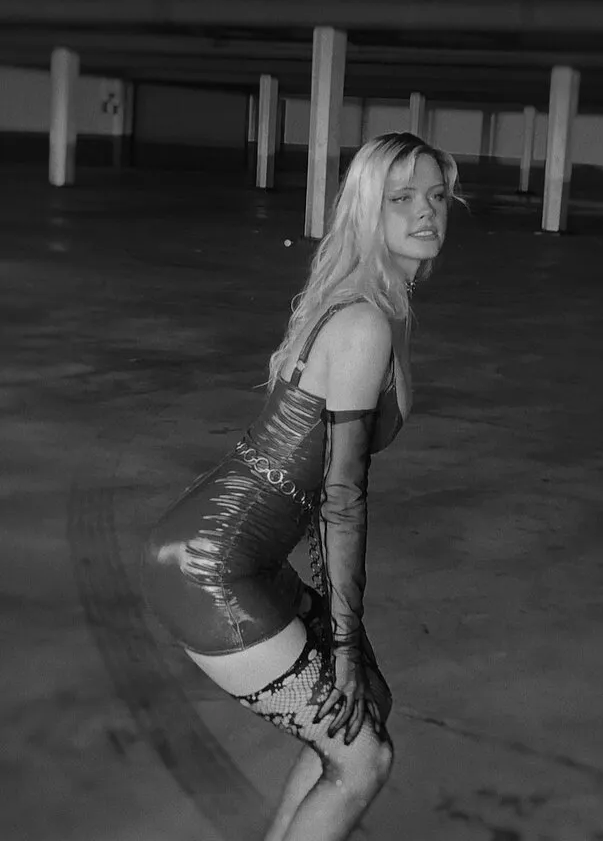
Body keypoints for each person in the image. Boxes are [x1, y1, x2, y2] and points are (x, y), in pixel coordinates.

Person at [141, 132, 467, 841]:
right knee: (363, 757)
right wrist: (343, 646)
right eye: (402, 198)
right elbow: (342, 498)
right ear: (367, 211)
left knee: (364, 706)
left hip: (242, 552)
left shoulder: (382, 303)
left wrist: (350, 654)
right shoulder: (363, 322)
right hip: (208, 566)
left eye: (437, 196)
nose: (426, 211)